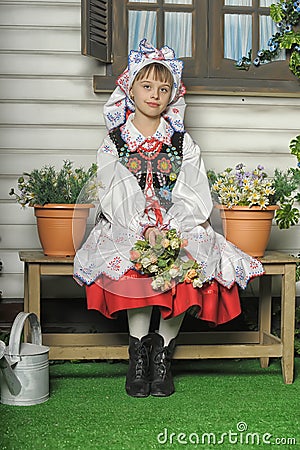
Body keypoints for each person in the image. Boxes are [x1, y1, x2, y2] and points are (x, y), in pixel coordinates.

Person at [74, 39, 264, 398]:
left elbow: (194, 189)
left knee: (186, 258)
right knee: (134, 259)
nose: (155, 95)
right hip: (128, 221)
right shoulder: (114, 142)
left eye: (164, 89)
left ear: (172, 95)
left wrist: (173, 226)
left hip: (176, 220)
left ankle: (162, 353)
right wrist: (139, 225)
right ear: (130, 88)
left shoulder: (182, 142)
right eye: (147, 86)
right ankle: (138, 355)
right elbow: (111, 189)